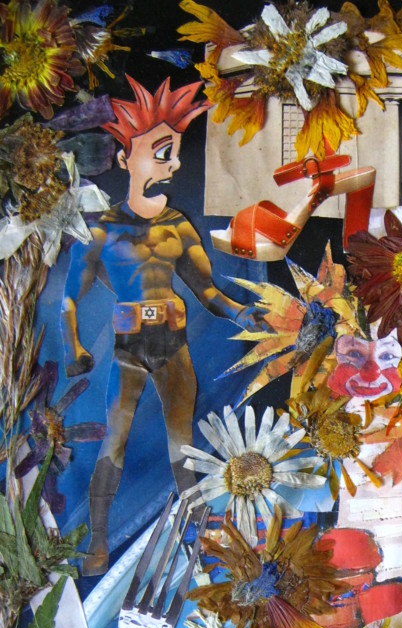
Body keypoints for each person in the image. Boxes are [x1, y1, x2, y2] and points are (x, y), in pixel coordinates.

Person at [61, 76, 259, 575]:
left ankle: (198, 541)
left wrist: (241, 313)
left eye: (174, 154)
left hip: (172, 343)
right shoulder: (101, 229)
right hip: (129, 347)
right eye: (161, 152)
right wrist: (74, 347)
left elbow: (208, 292)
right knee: (114, 440)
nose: (172, 164)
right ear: (124, 158)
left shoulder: (178, 226)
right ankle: (98, 544)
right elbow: (69, 297)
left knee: (182, 445)